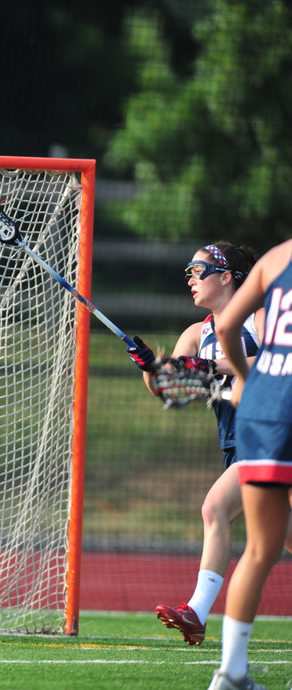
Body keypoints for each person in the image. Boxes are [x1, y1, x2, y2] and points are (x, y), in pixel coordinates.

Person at [127, 243, 292, 646]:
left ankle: (197, 612)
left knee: (214, 507)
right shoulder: (194, 334)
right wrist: (152, 368)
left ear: (225, 276)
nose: (190, 278)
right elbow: (170, 391)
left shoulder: (258, 318)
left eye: (197, 269)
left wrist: (211, 366)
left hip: (276, 433)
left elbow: (279, 358)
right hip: (240, 444)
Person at [205, 238, 292, 690]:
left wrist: (244, 378)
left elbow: (228, 324)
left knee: (262, 548)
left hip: (262, 407)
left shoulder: (276, 258)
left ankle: (231, 674)